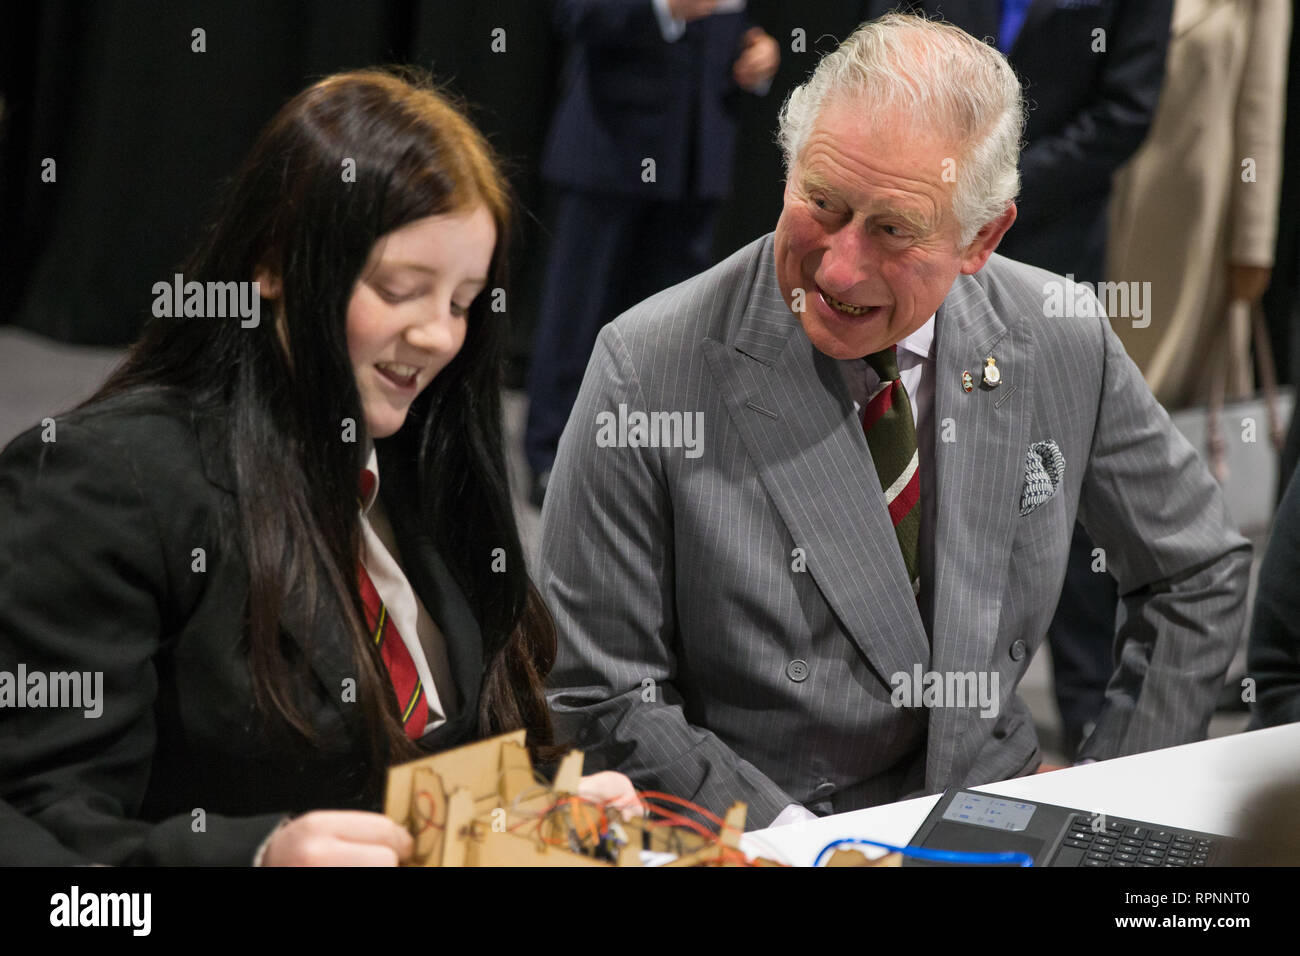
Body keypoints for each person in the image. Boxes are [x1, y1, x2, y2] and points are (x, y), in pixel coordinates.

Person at [539, 14, 1250, 829]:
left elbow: (1194, 570)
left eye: (893, 230)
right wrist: (801, 847)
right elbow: (600, 692)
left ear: (983, 236)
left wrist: (1109, 808)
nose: (839, 267)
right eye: (822, 203)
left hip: (990, 819)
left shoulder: (1058, 330)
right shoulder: (647, 367)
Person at [0, 68, 635, 866]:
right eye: (401, 289)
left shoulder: (425, 467)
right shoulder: (104, 484)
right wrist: (260, 858)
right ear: (271, 264)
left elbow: (420, 779)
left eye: (463, 301)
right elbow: (37, 831)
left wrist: (532, 812)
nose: (440, 336)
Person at [523, 0, 779, 505]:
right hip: (611, 144)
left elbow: (726, 23)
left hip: (696, 158)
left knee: (671, 331)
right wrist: (665, 11)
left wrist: (757, 48)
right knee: (578, 314)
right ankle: (550, 455)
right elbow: (575, 14)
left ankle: (643, 463)